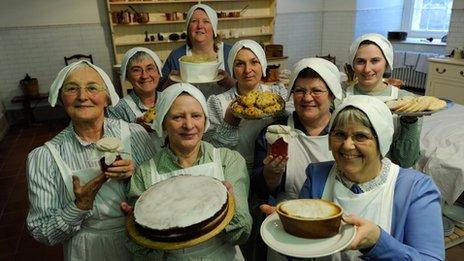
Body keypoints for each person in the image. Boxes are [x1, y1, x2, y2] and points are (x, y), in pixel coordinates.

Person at [262, 95, 444, 260]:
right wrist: (289, 233)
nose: (348, 145)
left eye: (360, 136)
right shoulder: (317, 176)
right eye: (339, 134)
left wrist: (377, 242)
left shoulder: (415, 189)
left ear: (382, 140)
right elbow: (304, 253)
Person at [26, 61, 157, 260]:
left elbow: (161, 193)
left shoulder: (134, 134)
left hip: (142, 241)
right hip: (87, 249)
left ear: (107, 98)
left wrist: (136, 176)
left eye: (92, 88)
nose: (82, 96)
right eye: (72, 89)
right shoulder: (45, 157)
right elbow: (42, 231)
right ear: (62, 99)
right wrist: (79, 206)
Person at [126, 83, 252, 260]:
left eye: (196, 116)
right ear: (163, 122)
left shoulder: (228, 161)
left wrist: (230, 209)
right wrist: (139, 230)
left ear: (205, 120)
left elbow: (242, 234)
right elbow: (142, 253)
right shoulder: (145, 174)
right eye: (178, 117)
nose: (189, 125)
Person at [253, 57, 343, 203]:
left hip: (336, 213)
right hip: (288, 214)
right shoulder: (272, 134)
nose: (307, 98)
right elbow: (259, 191)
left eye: (316, 91)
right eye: (300, 91)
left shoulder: (345, 133)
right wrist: (270, 175)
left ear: (331, 95)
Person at [205, 39, 288, 170]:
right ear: (232, 69)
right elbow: (212, 151)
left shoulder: (277, 96)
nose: (247, 70)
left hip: (273, 169)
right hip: (233, 172)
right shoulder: (218, 103)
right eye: (239, 64)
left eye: (254, 62)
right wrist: (229, 123)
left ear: (263, 65)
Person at [346, 33, 420, 168]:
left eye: (375, 61)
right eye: (361, 61)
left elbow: (406, 161)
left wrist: (410, 121)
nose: (367, 69)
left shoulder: (407, 101)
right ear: (353, 65)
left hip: (388, 176)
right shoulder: (341, 96)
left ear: (387, 63)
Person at [159, 3, 235, 97]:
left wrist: (230, 82)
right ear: (188, 28)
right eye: (194, 21)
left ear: (214, 28)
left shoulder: (230, 52)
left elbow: (246, 87)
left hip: (226, 111)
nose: (199, 26)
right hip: (188, 110)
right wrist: (169, 83)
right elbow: (160, 91)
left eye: (206, 21)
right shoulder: (176, 56)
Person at [107, 47, 164, 150]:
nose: (144, 75)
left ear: (158, 72)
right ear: (127, 76)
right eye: (136, 70)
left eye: (150, 68)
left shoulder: (171, 100)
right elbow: (113, 148)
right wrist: (134, 130)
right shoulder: (117, 110)